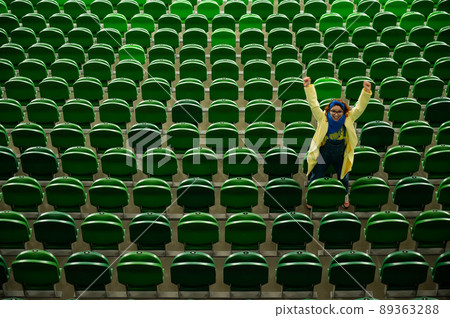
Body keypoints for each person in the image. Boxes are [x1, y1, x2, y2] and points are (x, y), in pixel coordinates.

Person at [303, 77, 372, 208]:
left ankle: (345, 195)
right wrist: (308, 87)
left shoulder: (349, 117)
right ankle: (311, 196)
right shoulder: (322, 117)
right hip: (324, 151)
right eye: (333, 111)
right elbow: (314, 104)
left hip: (341, 152)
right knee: (316, 175)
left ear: (344, 112)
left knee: (344, 178)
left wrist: (366, 91)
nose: (336, 114)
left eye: (339, 111)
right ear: (329, 111)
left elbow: (359, 108)